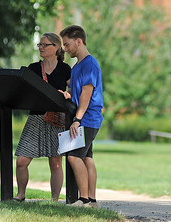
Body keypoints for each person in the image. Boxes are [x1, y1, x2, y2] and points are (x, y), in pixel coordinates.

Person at [14, 32, 72, 202]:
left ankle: (54, 199)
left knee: (55, 163)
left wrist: (68, 94)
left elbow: (75, 89)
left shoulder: (65, 69)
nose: (41, 48)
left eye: (44, 45)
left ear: (55, 48)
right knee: (21, 161)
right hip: (36, 118)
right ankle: (21, 194)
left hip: (56, 120)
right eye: (40, 45)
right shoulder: (32, 68)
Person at [59, 25, 103, 207]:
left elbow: (87, 93)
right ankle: (92, 201)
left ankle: (83, 199)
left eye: (67, 45)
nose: (66, 49)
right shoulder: (77, 66)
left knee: (73, 157)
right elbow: (78, 92)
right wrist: (69, 93)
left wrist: (77, 120)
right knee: (87, 158)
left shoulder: (90, 64)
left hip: (88, 118)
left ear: (79, 41)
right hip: (86, 117)